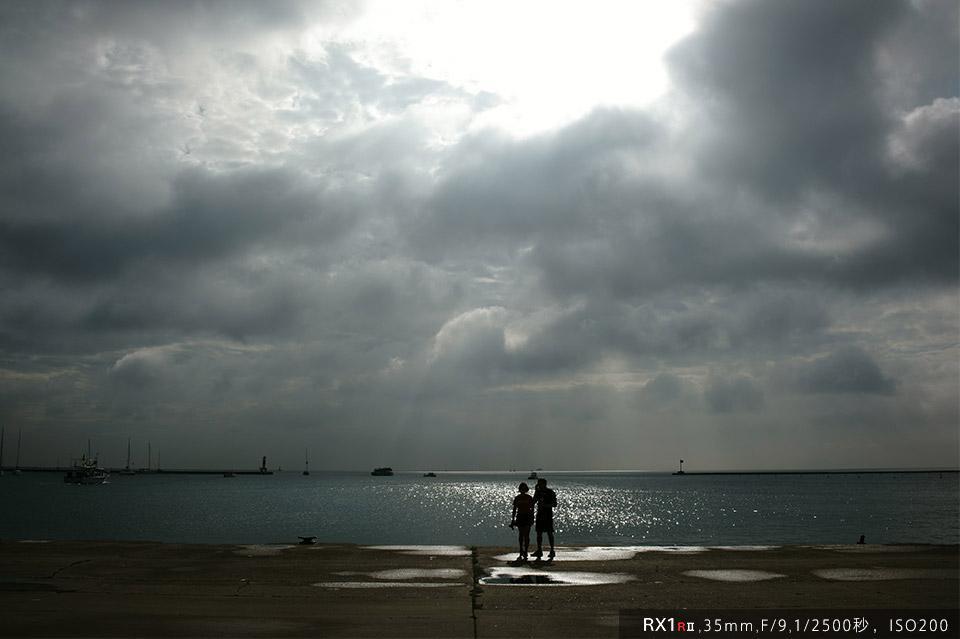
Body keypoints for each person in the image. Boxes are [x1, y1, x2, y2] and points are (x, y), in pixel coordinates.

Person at [532, 478, 556, 560]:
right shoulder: (538, 492)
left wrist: (545, 505)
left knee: (549, 532)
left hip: (548, 515)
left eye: (541, 484)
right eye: (539, 484)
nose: (539, 485)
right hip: (540, 514)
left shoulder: (550, 492)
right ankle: (539, 550)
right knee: (539, 533)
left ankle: (552, 550)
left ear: (545, 484)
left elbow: (554, 504)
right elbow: (533, 502)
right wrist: (536, 491)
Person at [510, 482, 535, 561]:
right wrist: (513, 519)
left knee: (527, 534)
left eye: (524, 489)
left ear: (526, 489)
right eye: (521, 489)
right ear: (520, 489)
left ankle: (526, 550)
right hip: (520, 516)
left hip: (527, 516)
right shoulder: (517, 498)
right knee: (521, 534)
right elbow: (514, 509)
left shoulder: (529, 498)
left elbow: (532, 509)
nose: (523, 490)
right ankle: (521, 549)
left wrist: (532, 518)